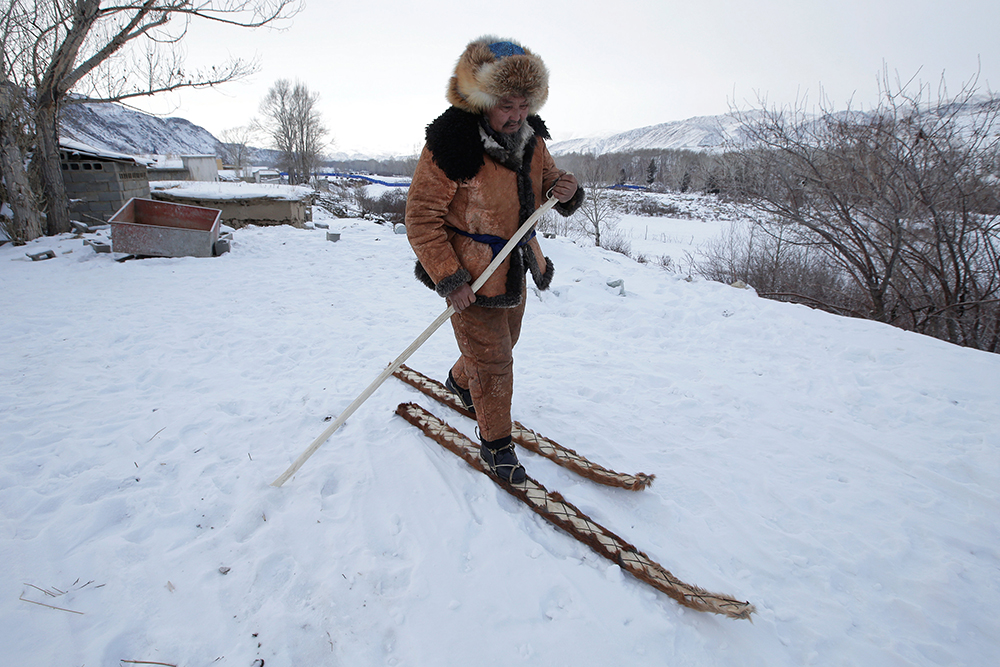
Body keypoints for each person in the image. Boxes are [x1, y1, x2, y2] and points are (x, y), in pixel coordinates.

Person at [405, 36, 583, 484]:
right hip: (471, 271)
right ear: (483, 98)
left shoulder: (531, 138)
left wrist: (565, 190)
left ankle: (460, 381)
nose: (517, 115)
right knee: (494, 361)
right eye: (507, 105)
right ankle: (496, 445)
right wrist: (450, 278)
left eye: (524, 104)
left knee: (507, 340)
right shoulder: (451, 142)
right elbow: (421, 218)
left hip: (514, 267)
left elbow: (548, 181)